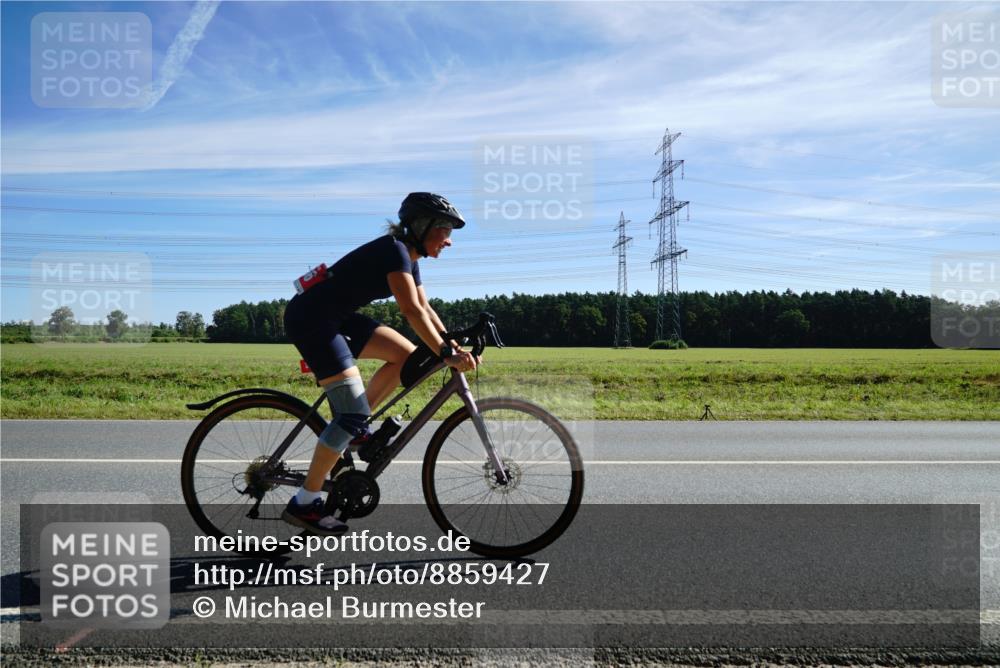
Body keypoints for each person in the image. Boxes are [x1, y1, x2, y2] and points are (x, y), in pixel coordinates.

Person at [281, 192, 479, 535]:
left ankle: (356, 431)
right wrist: (444, 353)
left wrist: (451, 344)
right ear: (422, 226)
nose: (449, 240)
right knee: (350, 414)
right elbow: (411, 311)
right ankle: (305, 502)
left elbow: (425, 308)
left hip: (337, 316)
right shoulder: (394, 251)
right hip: (312, 320)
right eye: (445, 230)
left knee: (406, 357)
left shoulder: (408, 257)